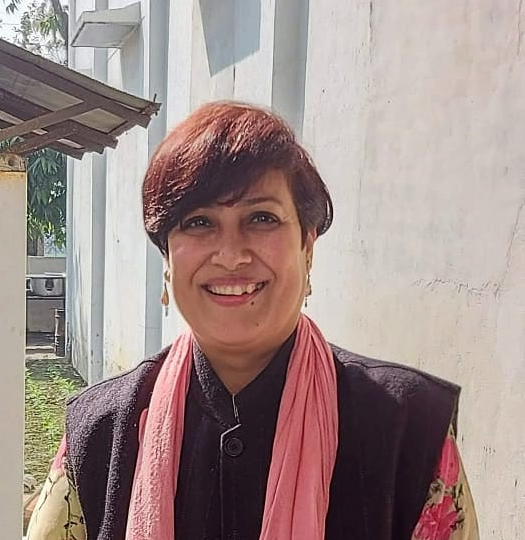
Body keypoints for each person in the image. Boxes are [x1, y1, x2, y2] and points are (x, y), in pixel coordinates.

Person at [27, 102, 478, 540]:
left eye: (261, 218)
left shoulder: (407, 431)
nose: (230, 255)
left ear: (307, 247)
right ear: (167, 259)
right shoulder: (100, 432)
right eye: (199, 222)